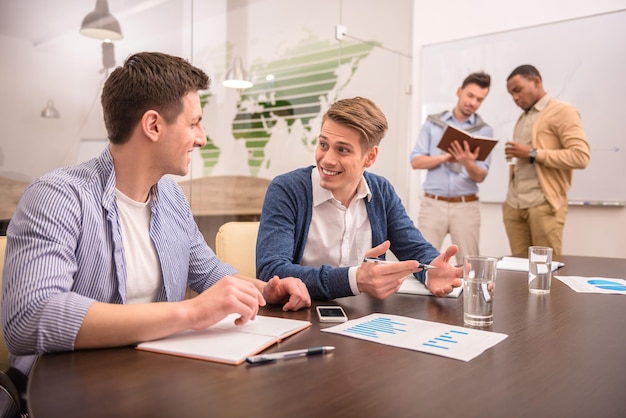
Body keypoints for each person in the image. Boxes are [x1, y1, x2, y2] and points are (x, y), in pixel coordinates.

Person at [1, 52, 311, 378]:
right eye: (193, 123)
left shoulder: (172, 199)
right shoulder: (57, 197)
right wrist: (190, 312)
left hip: (150, 379)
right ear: (153, 125)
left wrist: (263, 290)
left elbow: (210, 273)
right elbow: (30, 318)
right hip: (64, 388)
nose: (202, 138)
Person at [256, 96, 463, 301]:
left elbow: (414, 248)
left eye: (342, 150)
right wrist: (355, 280)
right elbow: (271, 271)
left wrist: (431, 270)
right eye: (323, 144)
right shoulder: (287, 189)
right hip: (302, 316)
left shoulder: (381, 190)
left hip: (365, 317)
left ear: (370, 157)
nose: (327, 160)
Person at [503, 64, 590, 257]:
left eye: (518, 90)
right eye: (511, 94)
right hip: (514, 206)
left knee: (547, 273)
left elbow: (581, 156)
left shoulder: (562, 110)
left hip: (543, 204)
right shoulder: (523, 117)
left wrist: (533, 153)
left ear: (536, 81)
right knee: (518, 272)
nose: (515, 98)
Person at [410, 72, 493, 265]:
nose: (473, 102)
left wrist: (468, 163)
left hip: (466, 206)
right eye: (470, 95)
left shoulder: (484, 131)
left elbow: (481, 175)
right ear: (459, 92)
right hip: (433, 205)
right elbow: (416, 161)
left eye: (479, 99)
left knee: (470, 265)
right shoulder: (433, 123)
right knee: (423, 263)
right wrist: (445, 157)